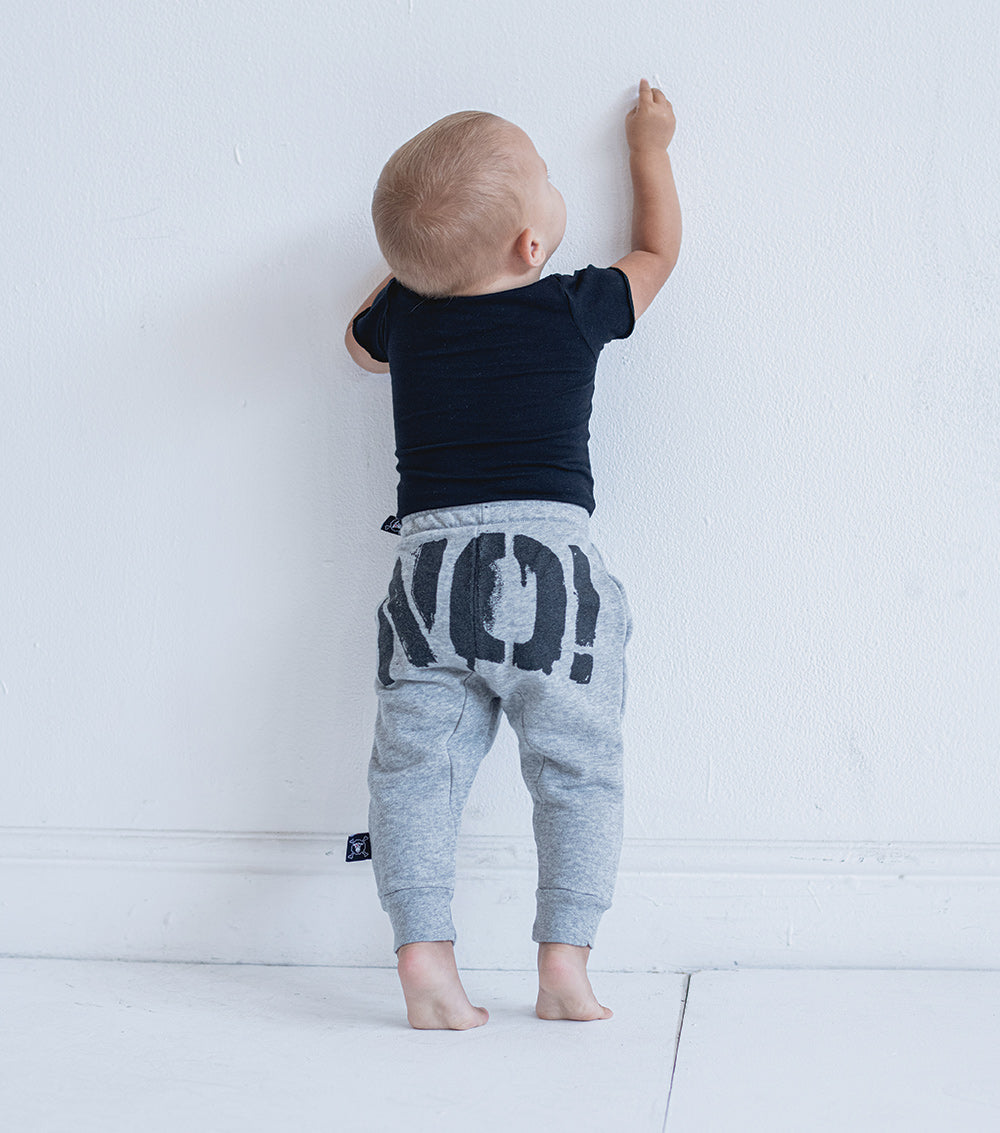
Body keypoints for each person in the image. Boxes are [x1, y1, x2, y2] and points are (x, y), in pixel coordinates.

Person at [346, 79, 680, 1029]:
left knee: (414, 771)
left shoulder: (406, 319)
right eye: (546, 178)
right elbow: (658, 252)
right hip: (550, 579)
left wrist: (415, 265)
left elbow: (358, 346)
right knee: (578, 768)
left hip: (429, 585)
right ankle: (565, 961)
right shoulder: (575, 307)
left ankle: (423, 953)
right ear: (532, 246)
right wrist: (649, 150)